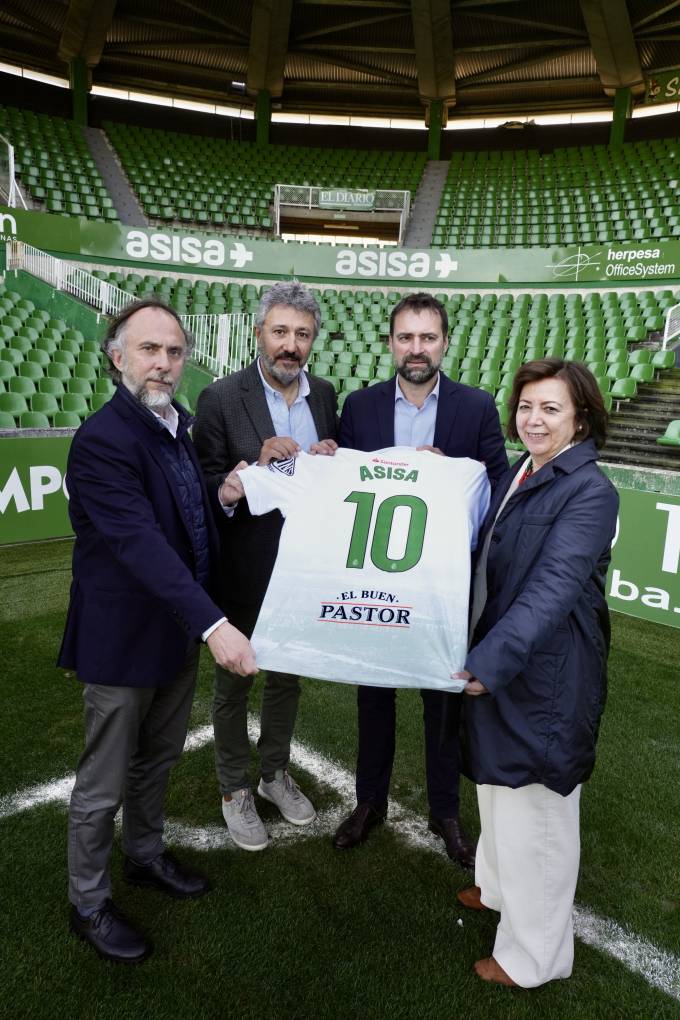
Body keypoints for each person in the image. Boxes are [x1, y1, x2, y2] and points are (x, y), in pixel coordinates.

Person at [59, 297, 257, 964]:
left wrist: (224, 494)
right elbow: (140, 545)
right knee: (103, 782)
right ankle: (88, 902)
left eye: (174, 351)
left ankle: (143, 855)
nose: (164, 363)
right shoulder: (102, 440)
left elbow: (189, 523)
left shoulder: (179, 425)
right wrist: (215, 624)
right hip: (124, 640)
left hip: (175, 633)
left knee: (159, 759)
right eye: (149, 349)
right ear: (118, 358)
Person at [454, 358, 619, 989]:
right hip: (507, 658)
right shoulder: (523, 468)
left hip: (546, 673)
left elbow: (550, 591)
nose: (534, 419)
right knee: (498, 790)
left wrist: (488, 661)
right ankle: (496, 889)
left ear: (581, 417)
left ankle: (535, 958)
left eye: (551, 408)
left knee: (538, 817)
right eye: (526, 406)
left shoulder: (591, 491)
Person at [332, 292, 508, 866]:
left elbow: (498, 489)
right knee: (373, 695)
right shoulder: (360, 407)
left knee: (443, 700)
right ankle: (369, 802)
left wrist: (446, 475)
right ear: (390, 343)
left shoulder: (476, 407)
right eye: (406, 337)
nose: (416, 348)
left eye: (427, 337)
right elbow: (344, 488)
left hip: (443, 586)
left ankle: (445, 811)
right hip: (377, 580)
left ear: (444, 343)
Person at [193, 280, 338, 851]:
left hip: (302, 571)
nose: (290, 345)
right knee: (234, 684)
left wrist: (328, 458)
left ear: (313, 340)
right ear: (259, 334)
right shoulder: (220, 398)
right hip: (242, 572)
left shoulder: (325, 396)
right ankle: (234, 788)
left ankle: (274, 773)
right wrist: (248, 472)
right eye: (280, 331)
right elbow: (204, 490)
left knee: (287, 679)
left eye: (302, 334)